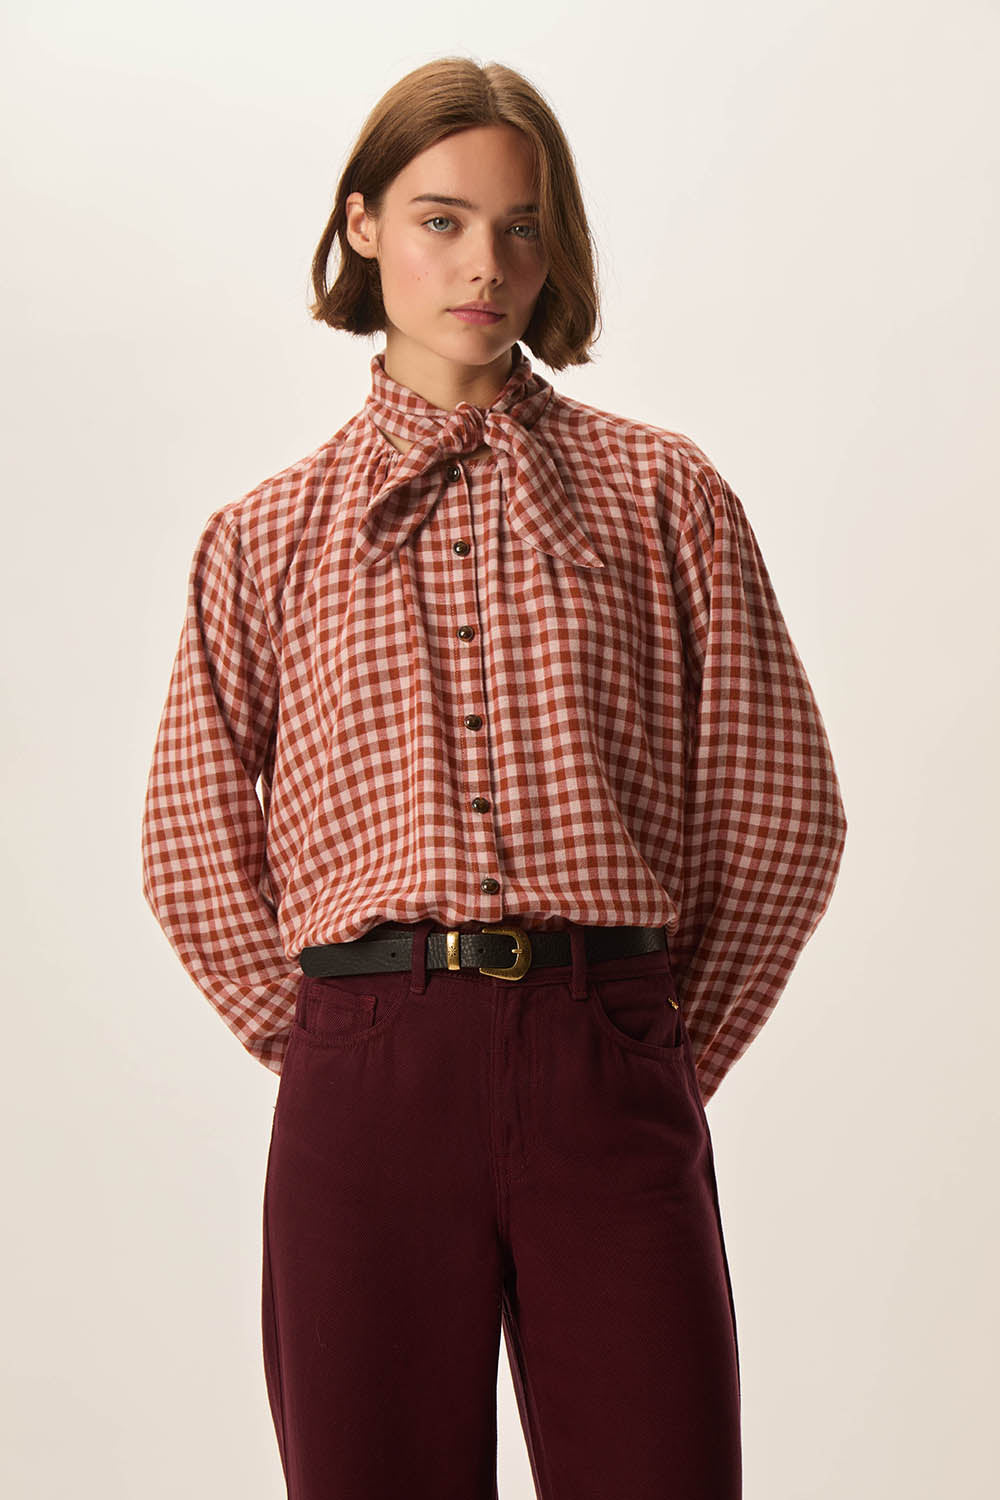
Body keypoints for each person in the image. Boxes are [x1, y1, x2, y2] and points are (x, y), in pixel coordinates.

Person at [140, 55, 847, 1500]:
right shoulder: (264, 538)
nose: (485, 264)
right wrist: (340, 1043)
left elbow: (781, 810)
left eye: (522, 226)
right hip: (367, 1082)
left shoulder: (665, 496)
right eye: (441, 220)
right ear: (361, 226)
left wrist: (652, 1043)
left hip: (608, 1052)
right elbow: (191, 842)